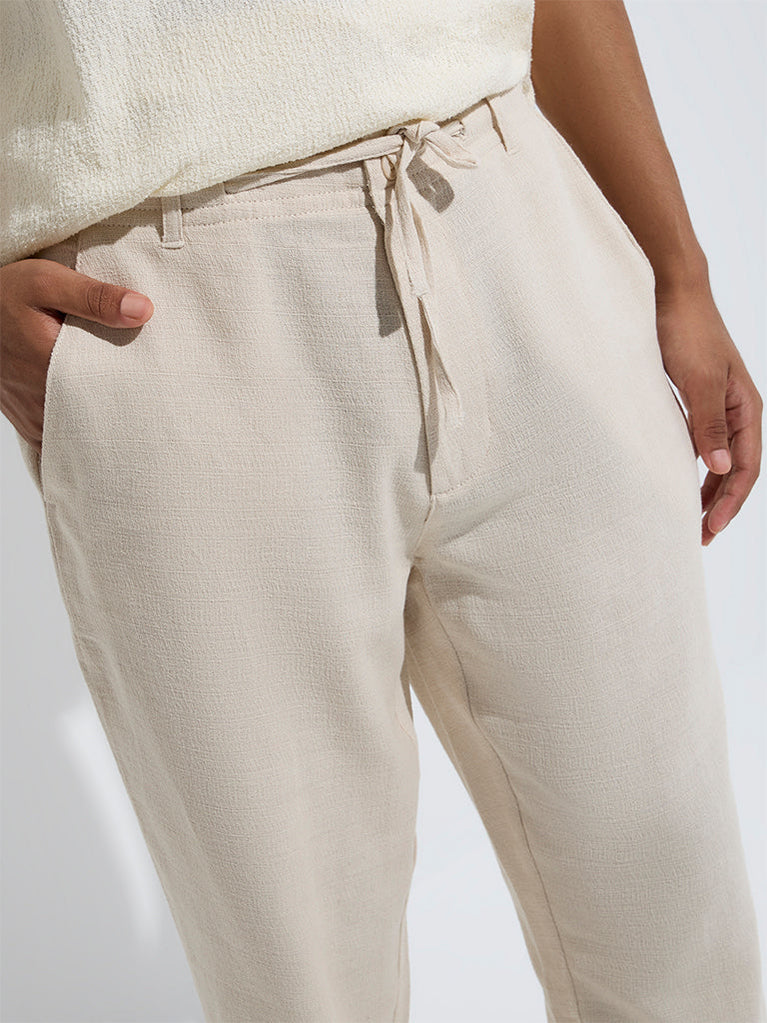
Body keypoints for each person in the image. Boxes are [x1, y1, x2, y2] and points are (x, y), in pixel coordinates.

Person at [1, 1, 764, 1020]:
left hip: (509, 207)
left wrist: (679, 271)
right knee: (300, 986)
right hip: (168, 308)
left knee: (675, 940)